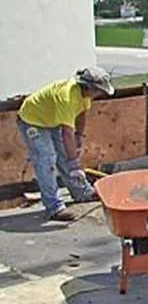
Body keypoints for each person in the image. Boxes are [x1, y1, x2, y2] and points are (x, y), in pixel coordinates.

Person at [17, 67, 114, 221]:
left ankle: (81, 193)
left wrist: (79, 138)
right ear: (89, 87)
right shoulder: (66, 97)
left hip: (52, 119)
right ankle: (54, 207)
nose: (100, 94)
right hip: (33, 120)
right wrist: (74, 165)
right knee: (46, 160)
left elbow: (82, 114)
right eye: (99, 91)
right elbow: (67, 132)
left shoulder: (85, 94)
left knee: (65, 155)